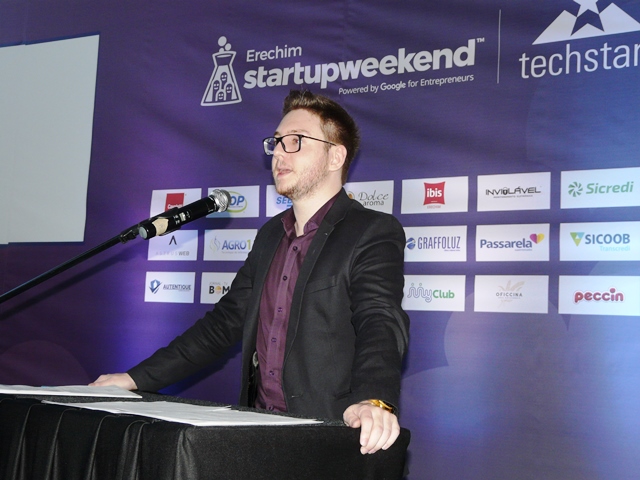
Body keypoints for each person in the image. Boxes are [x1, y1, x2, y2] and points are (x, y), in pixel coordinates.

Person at [92, 89, 410, 454]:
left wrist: (374, 399)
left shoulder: (371, 230)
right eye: (276, 142)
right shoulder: (271, 234)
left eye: (295, 141)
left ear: (335, 156)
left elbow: (379, 319)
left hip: (328, 440)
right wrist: (133, 379)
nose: (278, 153)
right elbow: (223, 325)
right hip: (256, 435)